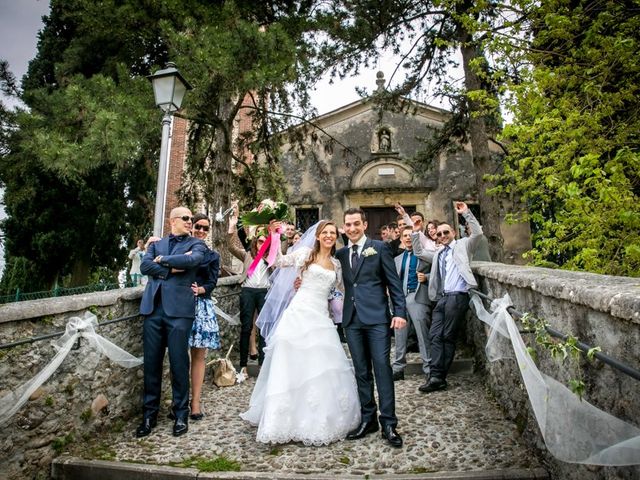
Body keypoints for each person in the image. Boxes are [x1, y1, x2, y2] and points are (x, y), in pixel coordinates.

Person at [240, 220, 361, 445]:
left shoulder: (336, 264)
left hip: (321, 318)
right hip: (298, 314)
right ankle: (282, 420)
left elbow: (337, 290)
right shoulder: (305, 253)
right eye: (325, 232)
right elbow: (276, 261)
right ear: (317, 235)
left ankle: (317, 418)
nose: (328, 236)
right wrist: (275, 237)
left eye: (332, 233)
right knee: (290, 363)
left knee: (320, 366)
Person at [336, 208, 407, 448]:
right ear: (344, 227)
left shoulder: (379, 248)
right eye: (348, 224)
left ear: (364, 225)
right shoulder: (342, 253)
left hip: (377, 319)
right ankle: (369, 419)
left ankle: (389, 422)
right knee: (361, 371)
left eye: (356, 223)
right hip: (352, 320)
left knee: (382, 368)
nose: (352, 228)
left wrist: (399, 312)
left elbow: (394, 283)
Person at [136, 207, 207, 438]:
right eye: (186, 218)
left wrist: (163, 261)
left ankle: (180, 414)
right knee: (152, 365)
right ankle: (149, 415)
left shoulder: (196, 245)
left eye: (191, 219)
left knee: (179, 364)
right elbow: (146, 266)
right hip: (153, 309)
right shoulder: (156, 244)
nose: (190, 222)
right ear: (173, 220)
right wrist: (171, 268)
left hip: (179, 312)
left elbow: (194, 261)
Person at [411, 201, 482, 393]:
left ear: (453, 232)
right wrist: (416, 231)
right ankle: (434, 374)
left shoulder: (462, 246)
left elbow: (477, 234)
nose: (442, 236)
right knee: (434, 335)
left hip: (458, 297)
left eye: (446, 232)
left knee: (446, 336)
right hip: (441, 298)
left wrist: (466, 213)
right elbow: (418, 252)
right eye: (439, 234)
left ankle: (439, 377)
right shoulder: (439, 253)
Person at [227, 205, 270, 376]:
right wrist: (234, 224)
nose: (262, 244)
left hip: (264, 292)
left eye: (264, 241)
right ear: (255, 242)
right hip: (248, 292)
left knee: (264, 329)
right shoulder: (247, 255)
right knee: (246, 328)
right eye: (259, 241)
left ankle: (263, 365)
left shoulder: (271, 257)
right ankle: (243, 365)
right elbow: (231, 247)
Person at [188, 213, 221, 420]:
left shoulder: (212, 256)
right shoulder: (181, 250)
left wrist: (201, 289)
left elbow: (212, 282)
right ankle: (179, 400)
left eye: (205, 228)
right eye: (198, 227)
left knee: (198, 355)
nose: (201, 231)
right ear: (191, 227)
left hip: (201, 307)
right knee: (179, 355)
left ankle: (196, 402)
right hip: (179, 305)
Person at [392, 227, 432, 383]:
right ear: (401, 239)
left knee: (423, 334)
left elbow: (438, 273)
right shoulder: (397, 259)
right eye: (405, 236)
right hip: (400, 300)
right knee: (399, 335)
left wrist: (426, 277)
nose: (408, 238)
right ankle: (398, 369)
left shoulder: (425, 256)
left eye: (410, 235)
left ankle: (429, 369)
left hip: (418, 298)